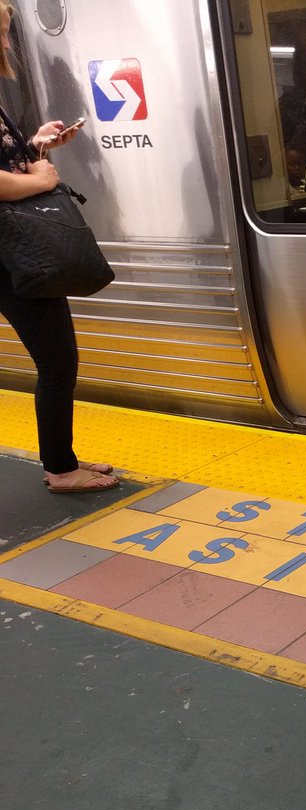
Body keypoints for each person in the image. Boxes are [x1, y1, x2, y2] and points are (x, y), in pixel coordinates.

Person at [0, 2, 117, 493]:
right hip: (10, 256)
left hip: (13, 250)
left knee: (57, 358)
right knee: (57, 360)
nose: (5, 44)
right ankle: (62, 469)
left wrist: (35, 145)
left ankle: (61, 459)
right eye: (0, 32)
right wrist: (43, 179)